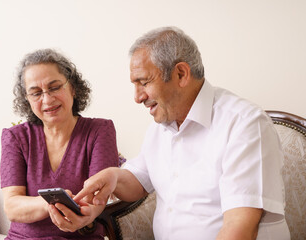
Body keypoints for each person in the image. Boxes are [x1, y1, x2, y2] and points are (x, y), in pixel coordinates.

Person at [75, 27, 291, 239]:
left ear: (181, 74)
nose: (138, 97)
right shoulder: (162, 125)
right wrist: (112, 177)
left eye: (144, 82)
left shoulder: (245, 123)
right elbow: (139, 179)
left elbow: (241, 228)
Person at [0, 48, 119, 239]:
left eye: (54, 87)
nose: (47, 99)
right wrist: (53, 201)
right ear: (27, 99)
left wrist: (83, 214)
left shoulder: (100, 131)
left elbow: (96, 199)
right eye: (36, 93)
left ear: (73, 87)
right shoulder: (15, 137)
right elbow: (12, 207)